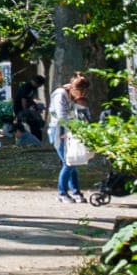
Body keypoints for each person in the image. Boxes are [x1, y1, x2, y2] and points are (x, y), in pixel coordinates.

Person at [49, 71, 98, 201]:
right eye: (80, 92)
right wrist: (71, 130)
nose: (81, 95)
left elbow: (82, 113)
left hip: (70, 130)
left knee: (73, 161)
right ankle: (62, 193)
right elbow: (62, 117)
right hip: (58, 130)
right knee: (68, 162)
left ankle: (76, 192)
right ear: (73, 88)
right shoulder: (60, 94)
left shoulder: (75, 96)